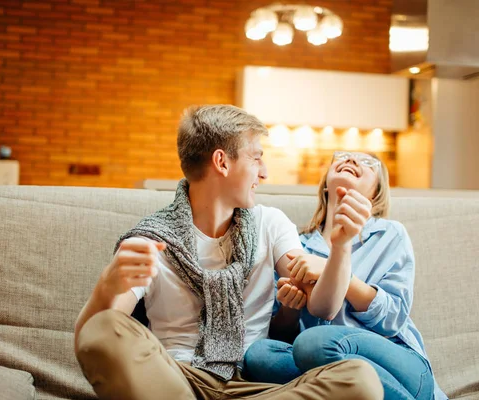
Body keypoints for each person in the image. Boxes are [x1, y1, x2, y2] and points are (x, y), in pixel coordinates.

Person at [74, 106, 383, 400]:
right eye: (256, 158)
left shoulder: (270, 224)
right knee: (105, 326)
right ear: (222, 162)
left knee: (359, 379)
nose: (264, 172)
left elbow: (323, 307)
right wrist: (106, 286)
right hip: (176, 381)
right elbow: (92, 338)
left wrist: (341, 247)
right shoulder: (151, 239)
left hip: (255, 387)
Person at [244, 151, 448, 400]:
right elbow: (284, 335)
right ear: (326, 185)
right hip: (321, 361)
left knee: (314, 343)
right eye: (343, 157)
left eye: (367, 163)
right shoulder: (296, 246)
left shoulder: (389, 234)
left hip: (401, 366)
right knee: (259, 356)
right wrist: (290, 310)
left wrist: (335, 271)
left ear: (375, 193)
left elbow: (393, 318)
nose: (351, 160)